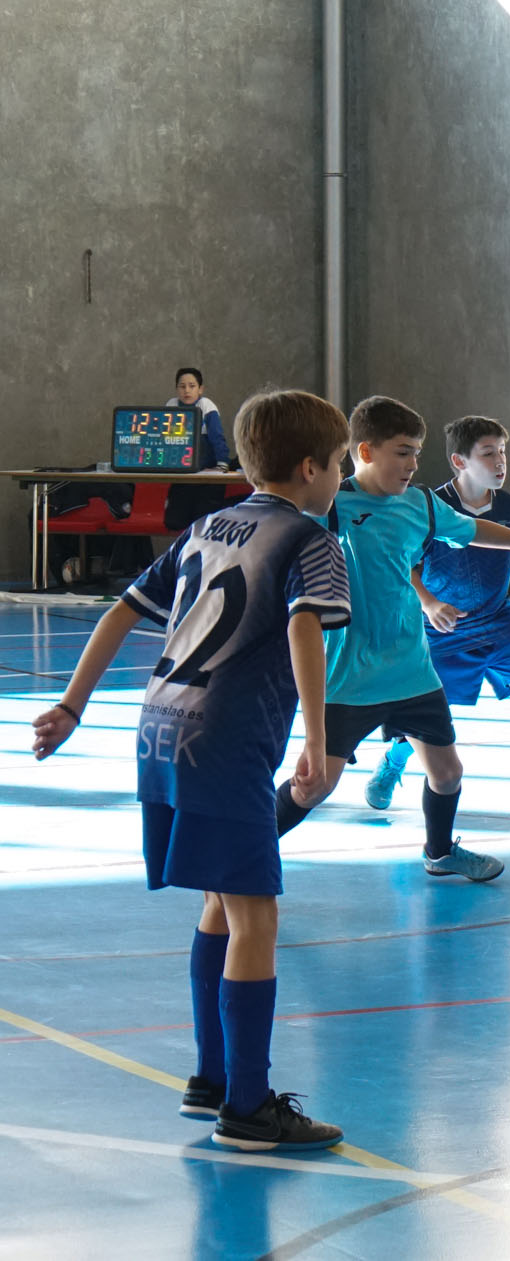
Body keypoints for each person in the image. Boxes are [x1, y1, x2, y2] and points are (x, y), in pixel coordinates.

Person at [32, 388, 353, 1150]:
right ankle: (248, 1106)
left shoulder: (208, 525)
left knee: (220, 899)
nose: (340, 476)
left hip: (161, 729)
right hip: (227, 740)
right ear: (310, 468)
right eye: (340, 464)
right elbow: (307, 623)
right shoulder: (311, 539)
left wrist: (73, 707)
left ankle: (212, 1077)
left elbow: (120, 609)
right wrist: (317, 734)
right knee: (257, 916)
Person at [272, 396, 510, 880]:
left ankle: (439, 853)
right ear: (367, 452)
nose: (413, 463)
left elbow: (475, 529)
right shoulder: (332, 506)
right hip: (351, 677)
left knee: (447, 773)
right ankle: (242, 852)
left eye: (417, 453)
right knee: (313, 785)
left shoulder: (420, 503)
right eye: (403, 452)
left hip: (414, 671)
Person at [362, 416, 510, 826]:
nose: (500, 461)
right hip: (443, 629)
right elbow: (404, 564)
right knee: (430, 719)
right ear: (459, 460)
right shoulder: (431, 507)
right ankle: (394, 758)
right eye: (488, 453)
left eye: (503, 452)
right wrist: (428, 603)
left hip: (498, 623)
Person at [171, 367, 232, 469]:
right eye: (182, 386)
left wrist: (222, 462)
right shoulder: (171, 405)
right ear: (176, 389)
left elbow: (217, 438)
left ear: (200, 389)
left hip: (206, 468)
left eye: (192, 386)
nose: (186, 390)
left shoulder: (206, 406)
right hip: (179, 465)